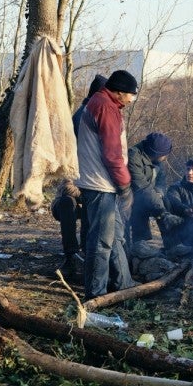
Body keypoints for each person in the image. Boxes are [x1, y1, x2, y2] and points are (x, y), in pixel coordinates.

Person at [74, 69, 139, 299]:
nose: (132, 99)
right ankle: (95, 297)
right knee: (101, 244)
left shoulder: (100, 102)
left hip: (97, 183)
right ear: (119, 92)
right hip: (101, 184)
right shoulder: (105, 107)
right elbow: (113, 155)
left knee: (107, 238)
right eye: (131, 94)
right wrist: (125, 186)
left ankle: (120, 286)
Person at [51, 74, 107, 276]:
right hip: (70, 198)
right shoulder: (84, 116)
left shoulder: (94, 113)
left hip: (90, 191)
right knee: (69, 202)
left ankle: (85, 256)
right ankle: (71, 256)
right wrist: (85, 191)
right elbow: (66, 183)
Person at [126, 132, 174, 258]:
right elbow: (141, 186)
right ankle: (141, 244)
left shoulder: (157, 159)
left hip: (149, 193)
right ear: (156, 153)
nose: (166, 157)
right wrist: (161, 209)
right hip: (131, 195)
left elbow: (161, 180)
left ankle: (172, 245)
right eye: (164, 155)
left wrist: (159, 192)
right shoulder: (133, 156)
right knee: (140, 204)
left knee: (165, 201)